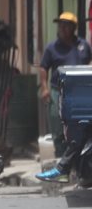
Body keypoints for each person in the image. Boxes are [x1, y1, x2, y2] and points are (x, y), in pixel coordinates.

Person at [37, 11, 92, 182]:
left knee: (80, 128)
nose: (62, 28)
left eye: (66, 25)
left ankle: (74, 168)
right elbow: (43, 68)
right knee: (59, 127)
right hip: (59, 91)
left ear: (73, 28)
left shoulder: (83, 45)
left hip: (81, 92)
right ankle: (63, 164)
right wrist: (45, 88)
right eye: (60, 25)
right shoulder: (52, 47)